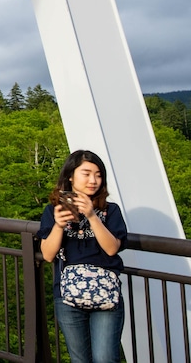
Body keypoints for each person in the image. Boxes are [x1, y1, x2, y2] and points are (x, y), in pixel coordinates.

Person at [38, 150, 127, 363]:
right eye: (86, 174)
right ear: (70, 176)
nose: (93, 180)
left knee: (105, 358)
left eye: (98, 175)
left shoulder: (110, 211)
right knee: (79, 359)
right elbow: (48, 254)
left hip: (105, 292)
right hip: (67, 294)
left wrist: (91, 215)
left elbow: (112, 248)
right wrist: (59, 224)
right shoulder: (53, 211)